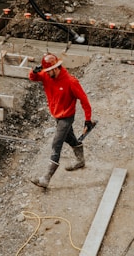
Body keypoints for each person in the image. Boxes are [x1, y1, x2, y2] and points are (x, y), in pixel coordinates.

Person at [28, 53, 94, 189]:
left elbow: (84, 100)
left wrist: (88, 119)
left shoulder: (71, 82)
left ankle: (45, 178)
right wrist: (34, 71)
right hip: (57, 116)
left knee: (56, 143)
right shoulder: (47, 75)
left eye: (48, 71)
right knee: (69, 138)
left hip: (66, 117)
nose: (46, 73)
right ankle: (80, 160)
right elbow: (33, 78)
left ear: (56, 68)